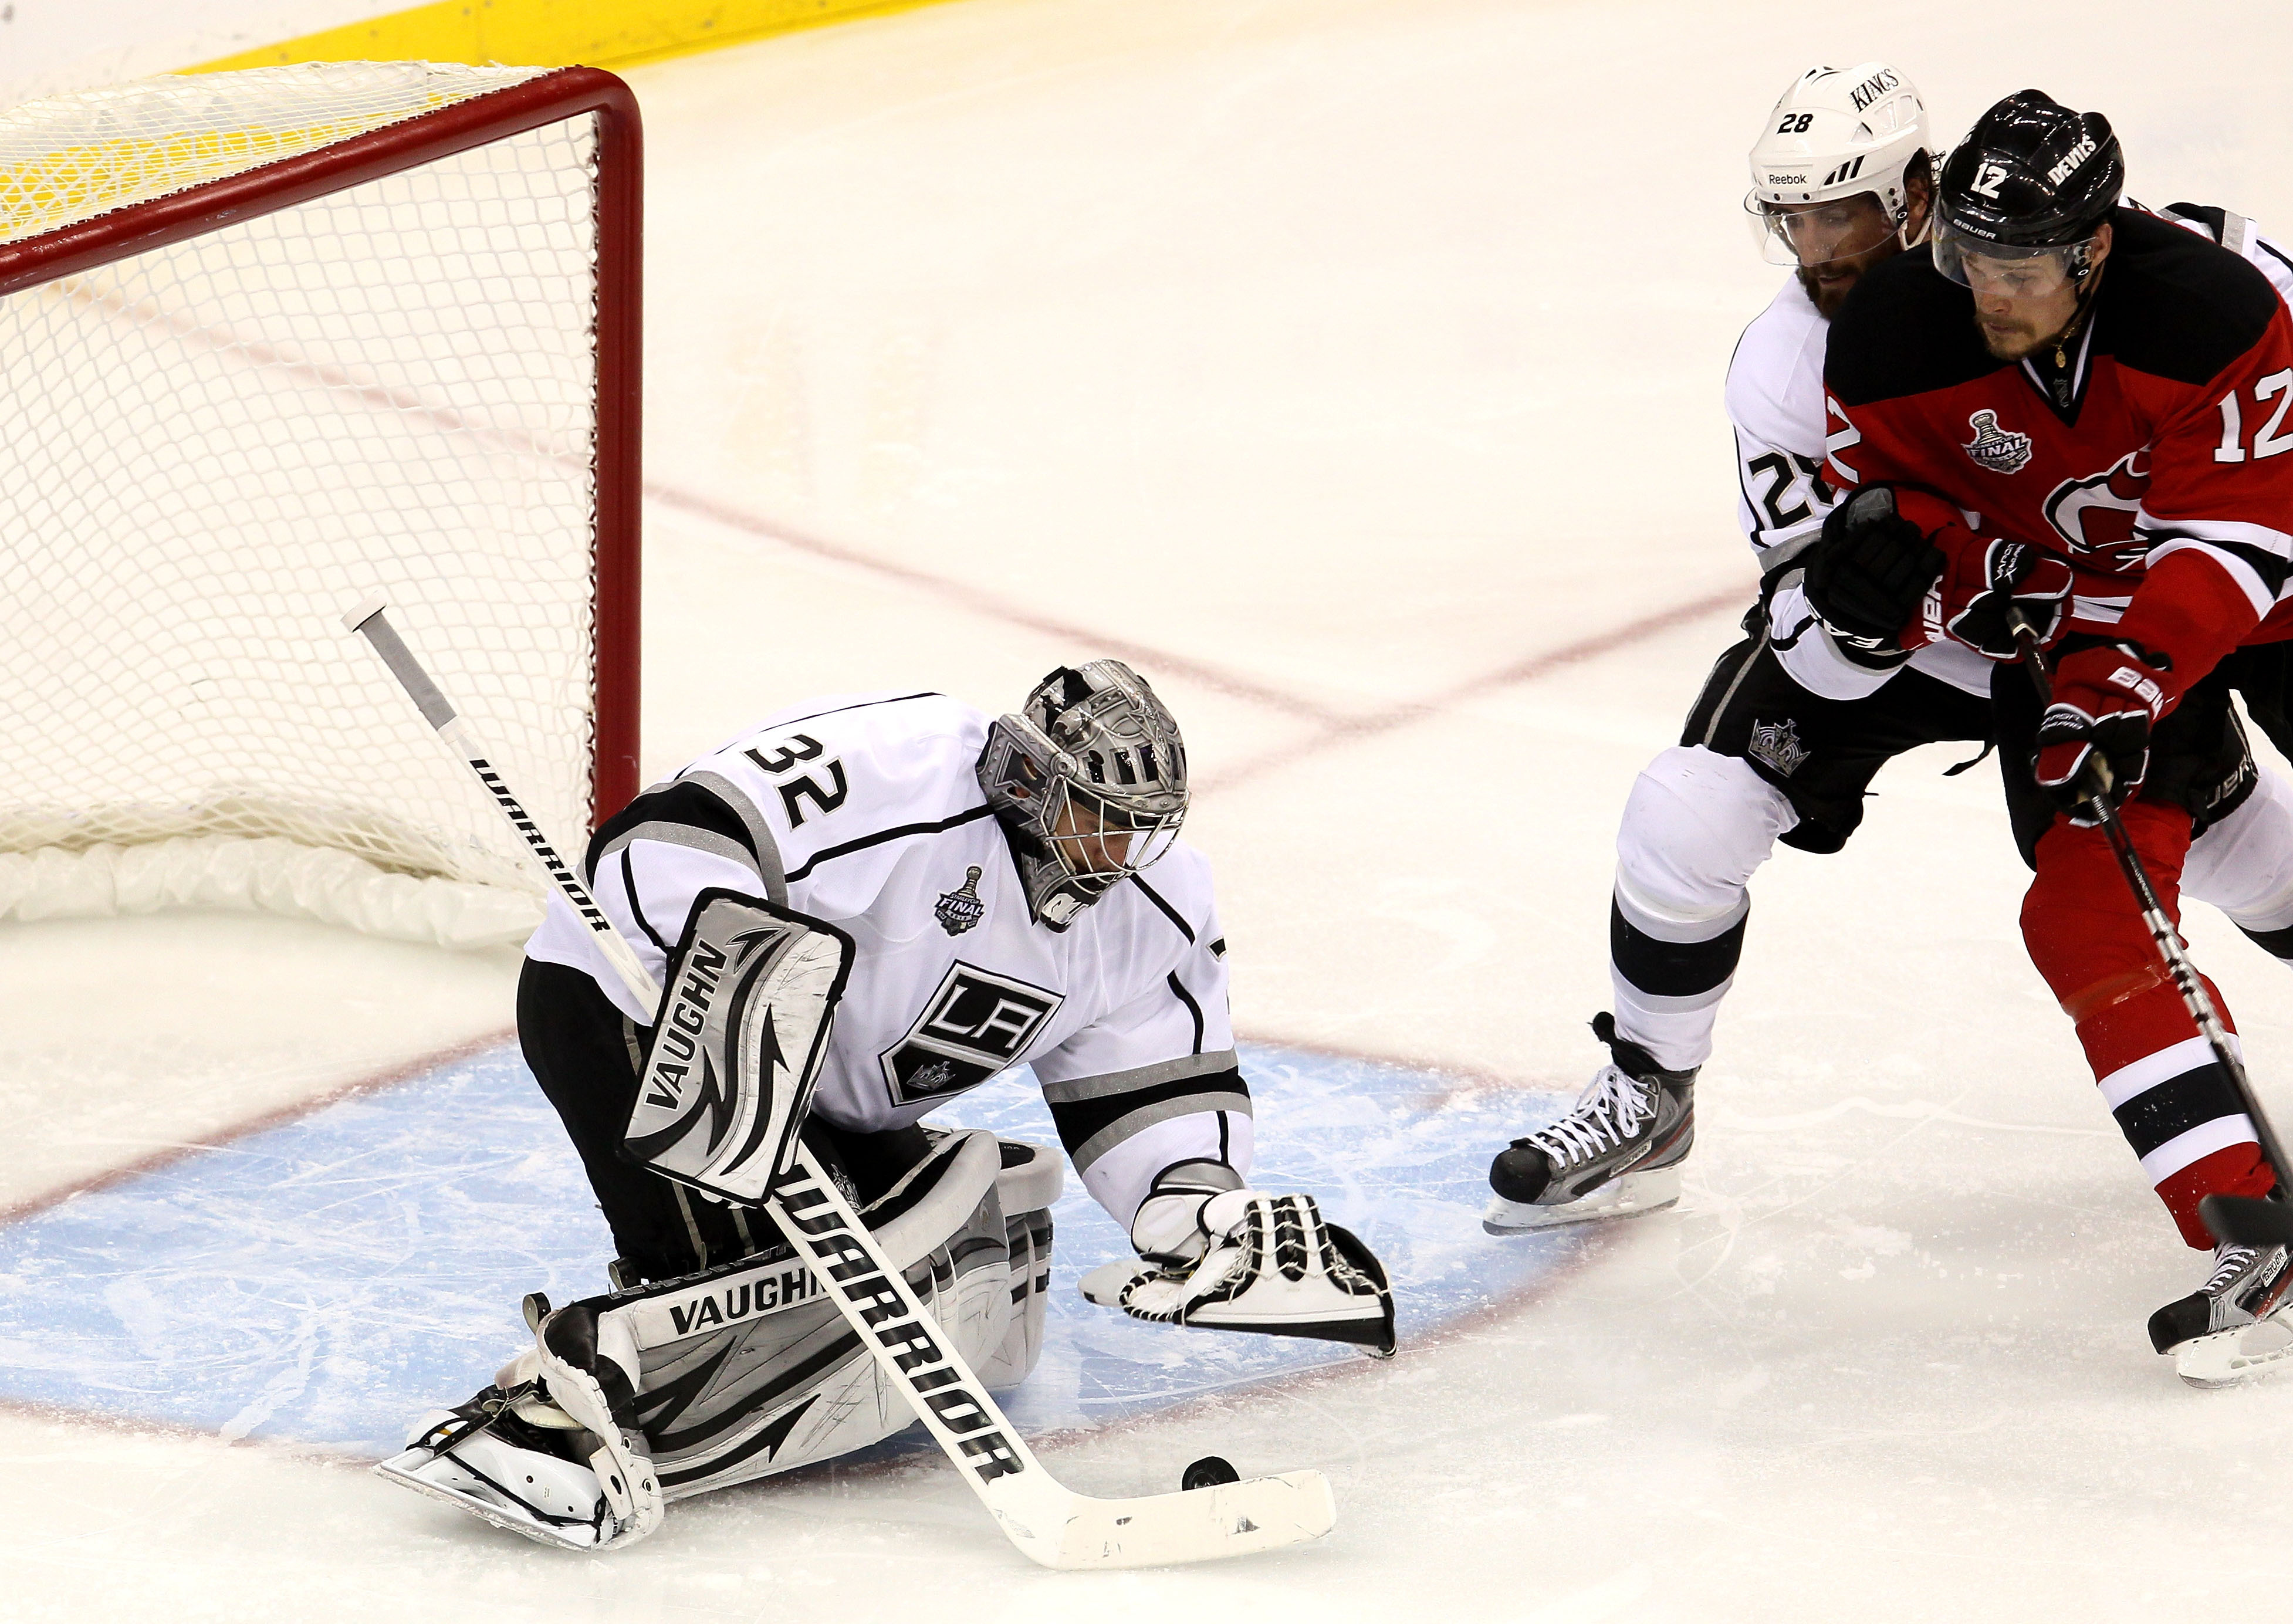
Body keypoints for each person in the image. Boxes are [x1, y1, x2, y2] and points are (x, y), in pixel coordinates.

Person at [1482, 65, 2293, 1248]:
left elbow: (2241, 459)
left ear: (1916, 192)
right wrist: (1870, 611)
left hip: (2097, 624)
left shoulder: (2114, 271)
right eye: (1792, 219)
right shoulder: (1790, 366)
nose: (1817, 246)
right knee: (1687, 808)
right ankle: (1649, 1097)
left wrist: (2124, 652)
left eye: (1843, 212)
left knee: (2210, 845)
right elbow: (1808, 605)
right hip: (1934, 629)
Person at [380, 663, 1394, 1549]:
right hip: (642, 1009)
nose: (1119, 851)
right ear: (1032, 777)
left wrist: (1196, 1213)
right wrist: (737, 984)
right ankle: (535, 1419)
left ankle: (707, 1337)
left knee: (946, 1238)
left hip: (824, 1091)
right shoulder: (900, 761)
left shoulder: (1155, 904)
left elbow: (1154, 1081)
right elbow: (671, 838)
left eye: (1140, 828)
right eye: (1100, 817)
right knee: (759, 1293)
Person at [1805, 89, 2293, 1377]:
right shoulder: (1893, 341)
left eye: (2016, 265)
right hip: (2084, 636)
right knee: (2079, 915)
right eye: (1966, 257)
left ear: (2091, 247)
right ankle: (2250, 1223)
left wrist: (2125, 680)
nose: (1987, 292)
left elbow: (2237, 538)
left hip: (2266, 587)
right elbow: (1899, 518)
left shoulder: (2212, 309)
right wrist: (1911, 580)